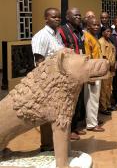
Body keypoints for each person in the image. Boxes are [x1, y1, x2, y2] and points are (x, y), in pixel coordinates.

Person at [31, 8, 63, 152]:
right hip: (48, 83)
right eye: (53, 17)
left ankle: (55, 143)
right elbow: (39, 63)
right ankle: (47, 146)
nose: (57, 19)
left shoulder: (57, 35)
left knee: (56, 114)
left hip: (58, 82)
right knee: (46, 115)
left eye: (58, 17)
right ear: (46, 19)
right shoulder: (41, 36)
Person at [58, 8, 86, 140]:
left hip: (79, 69)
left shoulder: (79, 30)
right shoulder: (62, 31)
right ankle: (68, 130)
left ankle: (74, 127)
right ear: (68, 17)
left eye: (80, 15)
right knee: (69, 101)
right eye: (75, 15)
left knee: (77, 101)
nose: (79, 17)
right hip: (69, 71)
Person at [83, 18, 105, 132]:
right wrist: (90, 76)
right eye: (94, 25)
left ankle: (93, 119)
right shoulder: (87, 37)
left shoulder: (94, 36)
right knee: (92, 98)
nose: (96, 27)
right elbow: (87, 58)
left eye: (98, 25)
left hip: (97, 71)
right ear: (88, 26)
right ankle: (91, 124)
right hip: (92, 72)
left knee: (94, 98)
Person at [98, 26, 116, 115]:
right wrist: (110, 66)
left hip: (111, 68)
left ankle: (108, 105)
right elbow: (104, 57)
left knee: (109, 88)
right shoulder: (101, 41)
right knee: (104, 89)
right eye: (107, 31)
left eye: (110, 31)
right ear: (102, 32)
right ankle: (103, 107)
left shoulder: (109, 41)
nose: (109, 33)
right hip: (106, 68)